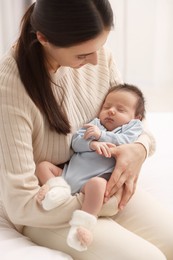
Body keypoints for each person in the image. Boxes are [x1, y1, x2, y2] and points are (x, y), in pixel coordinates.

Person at [0, 0, 173, 259]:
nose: (95, 60)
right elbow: (21, 204)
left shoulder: (97, 54)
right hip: (48, 207)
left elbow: (134, 120)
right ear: (43, 38)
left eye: (99, 47)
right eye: (82, 55)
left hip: (102, 181)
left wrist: (139, 148)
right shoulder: (10, 88)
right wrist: (102, 202)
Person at [35, 83, 145, 251]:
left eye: (120, 110)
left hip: (90, 182)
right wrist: (92, 144)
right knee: (43, 167)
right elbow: (76, 143)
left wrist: (102, 136)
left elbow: (127, 143)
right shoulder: (95, 124)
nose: (111, 111)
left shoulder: (131, 129)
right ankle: (57, 188)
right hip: (67, 174)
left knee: (98, 185)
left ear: (136, 118)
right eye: (107, 106)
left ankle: (83, 224)